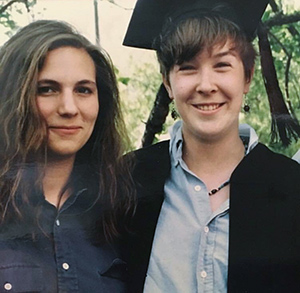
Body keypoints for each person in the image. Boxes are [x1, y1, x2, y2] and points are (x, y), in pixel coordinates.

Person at [122, 0, 300, 292]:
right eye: (188, 68)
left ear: (248, 76)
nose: (206, 85)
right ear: (167, 82)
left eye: (222, 65)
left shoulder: (291, 186)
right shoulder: (127, 181)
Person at [0, 20, 133, 292]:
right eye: (47, 89)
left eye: (83, 90)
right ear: (14, 97)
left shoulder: (121, 211)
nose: (69, 108)